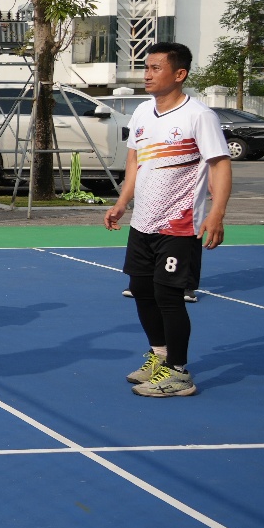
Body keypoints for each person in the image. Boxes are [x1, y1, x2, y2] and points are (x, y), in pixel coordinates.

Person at [103, 42, 231, 398]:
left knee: (168, 295)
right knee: (141, 290)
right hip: (143, 222)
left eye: (156, 68)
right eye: (146, 67)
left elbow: (220, 164)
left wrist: (217, 213)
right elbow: (135, 162)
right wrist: (122, 203)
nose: (147, 74)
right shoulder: (143, 112)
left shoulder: (199, 116)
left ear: (179, 74)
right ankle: (159, 356)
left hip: (179, 223)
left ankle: (179, 373)